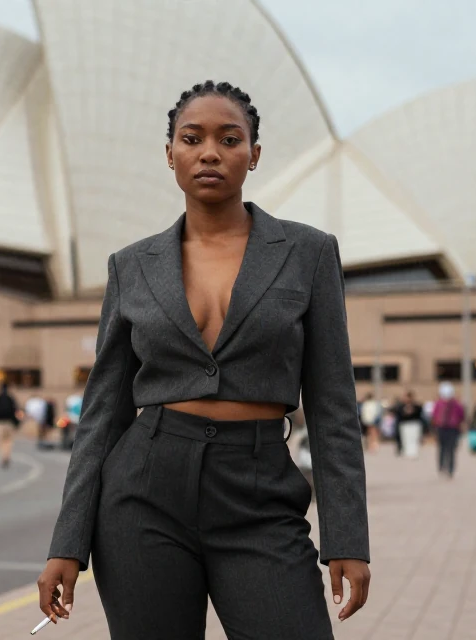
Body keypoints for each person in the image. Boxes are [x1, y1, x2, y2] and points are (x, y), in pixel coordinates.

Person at [37, 81, 371, 639]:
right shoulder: (132, 266)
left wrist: (347, 539)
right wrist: (67, 545)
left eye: (229, 139)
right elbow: (102, 414)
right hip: (143, 495)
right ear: (170, 154)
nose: (209, 152)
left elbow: (334, 405)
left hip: (259, 493)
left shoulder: (308, 253)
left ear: (254, 155)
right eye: (192, 138)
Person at [431, 382, 465, 477]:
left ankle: (449, 467)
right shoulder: (440, 403)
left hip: (452, 428)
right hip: (443, 427)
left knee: (450, 449)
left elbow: (461, 415)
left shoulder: (455, 404)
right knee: (443, 448)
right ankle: (443, 466)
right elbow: (434, 416)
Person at [0, 383, 18, 468]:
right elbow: (15, 410)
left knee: (1, 442)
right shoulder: (10, 398)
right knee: (8, 441)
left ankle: (3, 457)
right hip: (9, 423)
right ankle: (7, 456)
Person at [392, 391, 425, 459]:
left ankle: (413, 452)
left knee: (413, 439)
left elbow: (420, 413)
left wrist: (412, 410)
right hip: (404, 424)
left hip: (414, 424)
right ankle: (407, 452)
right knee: (405, 439)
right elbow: (398, 413)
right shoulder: (401, 406)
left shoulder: (416, 406)